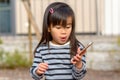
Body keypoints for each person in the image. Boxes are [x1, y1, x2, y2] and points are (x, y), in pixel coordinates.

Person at [30, 2, 87, 80]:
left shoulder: (77, 48)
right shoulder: (42, 49)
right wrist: (38, 71)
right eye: (58, 28)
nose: (63, 32)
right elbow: (34, 75)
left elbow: (79, 76)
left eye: (67, 27)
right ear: (49, 28)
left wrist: (79, 64)